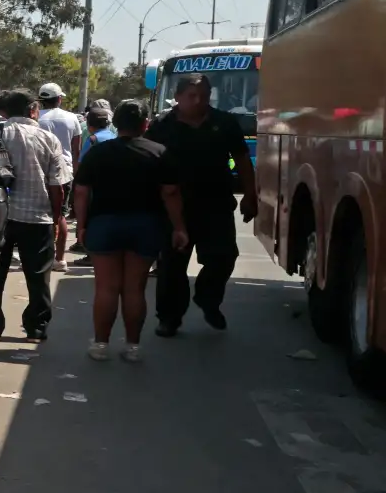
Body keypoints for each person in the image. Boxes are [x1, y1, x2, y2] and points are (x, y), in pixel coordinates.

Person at [75, 100, 189, 362]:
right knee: (135, 288)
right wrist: (179, 227)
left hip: (104, 224)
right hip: (146, 225)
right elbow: (170, 192)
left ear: (116, 124)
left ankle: (101, 345)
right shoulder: (159, 152)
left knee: (106, 288)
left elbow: (81, 191)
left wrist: (81, 225)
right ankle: (133, 347)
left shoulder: (98, 152)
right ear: (145, 124)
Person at [146, 72, 258, 336]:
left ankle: (209, 300)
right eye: (192, 96)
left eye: (205, 96)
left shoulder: (225, 123)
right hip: (175, 210)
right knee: (172, 266)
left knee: (224, 257)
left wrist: (251, 196)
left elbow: (242, 160)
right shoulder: (162, 125)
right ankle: (169, 317)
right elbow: (148, 162)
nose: (199, 101)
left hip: (216, 204)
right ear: (178, 97)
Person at [0, 89, 72, 343]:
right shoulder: (48, 139)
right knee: (38, 276)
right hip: (37, 217)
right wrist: (56, 217)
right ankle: (36, 328)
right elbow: (57, 185)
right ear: (33, 109)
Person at [36, 83, 84, 269]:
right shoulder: (72, 118)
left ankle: (41, 256)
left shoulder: (35, 118)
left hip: (40, 169)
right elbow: (76, 149)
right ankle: (60, 258)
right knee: (60, 213)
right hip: (64, 172)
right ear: (59, 99)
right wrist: (75, 171)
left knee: (40, 214)